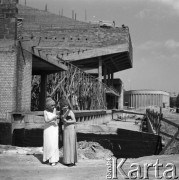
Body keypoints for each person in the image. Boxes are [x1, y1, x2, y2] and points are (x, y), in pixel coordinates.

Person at [43, 97, 59, 166]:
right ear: (48, 106)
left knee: (54, 144)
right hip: (48, 129)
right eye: (52, 105)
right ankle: (47, 157)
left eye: (54, 105)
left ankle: (53, 160)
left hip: (54, 129)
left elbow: (55, 120)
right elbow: (46, 121)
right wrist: (53, 118)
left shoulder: (54, 110)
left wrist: (56, 122)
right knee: (48, 144)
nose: (53, 107)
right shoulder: (45, 112)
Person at [61, 99, 77, 166]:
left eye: (66, 106)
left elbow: (74, 120)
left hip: (71, 128)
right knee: (66, 145)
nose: (65, 107)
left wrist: (67, 122)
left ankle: (72, 161)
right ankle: (67, 161)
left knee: (71, 144)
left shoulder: (70, 112)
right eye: (64, 106)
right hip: (66, 129)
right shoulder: (63, 113)